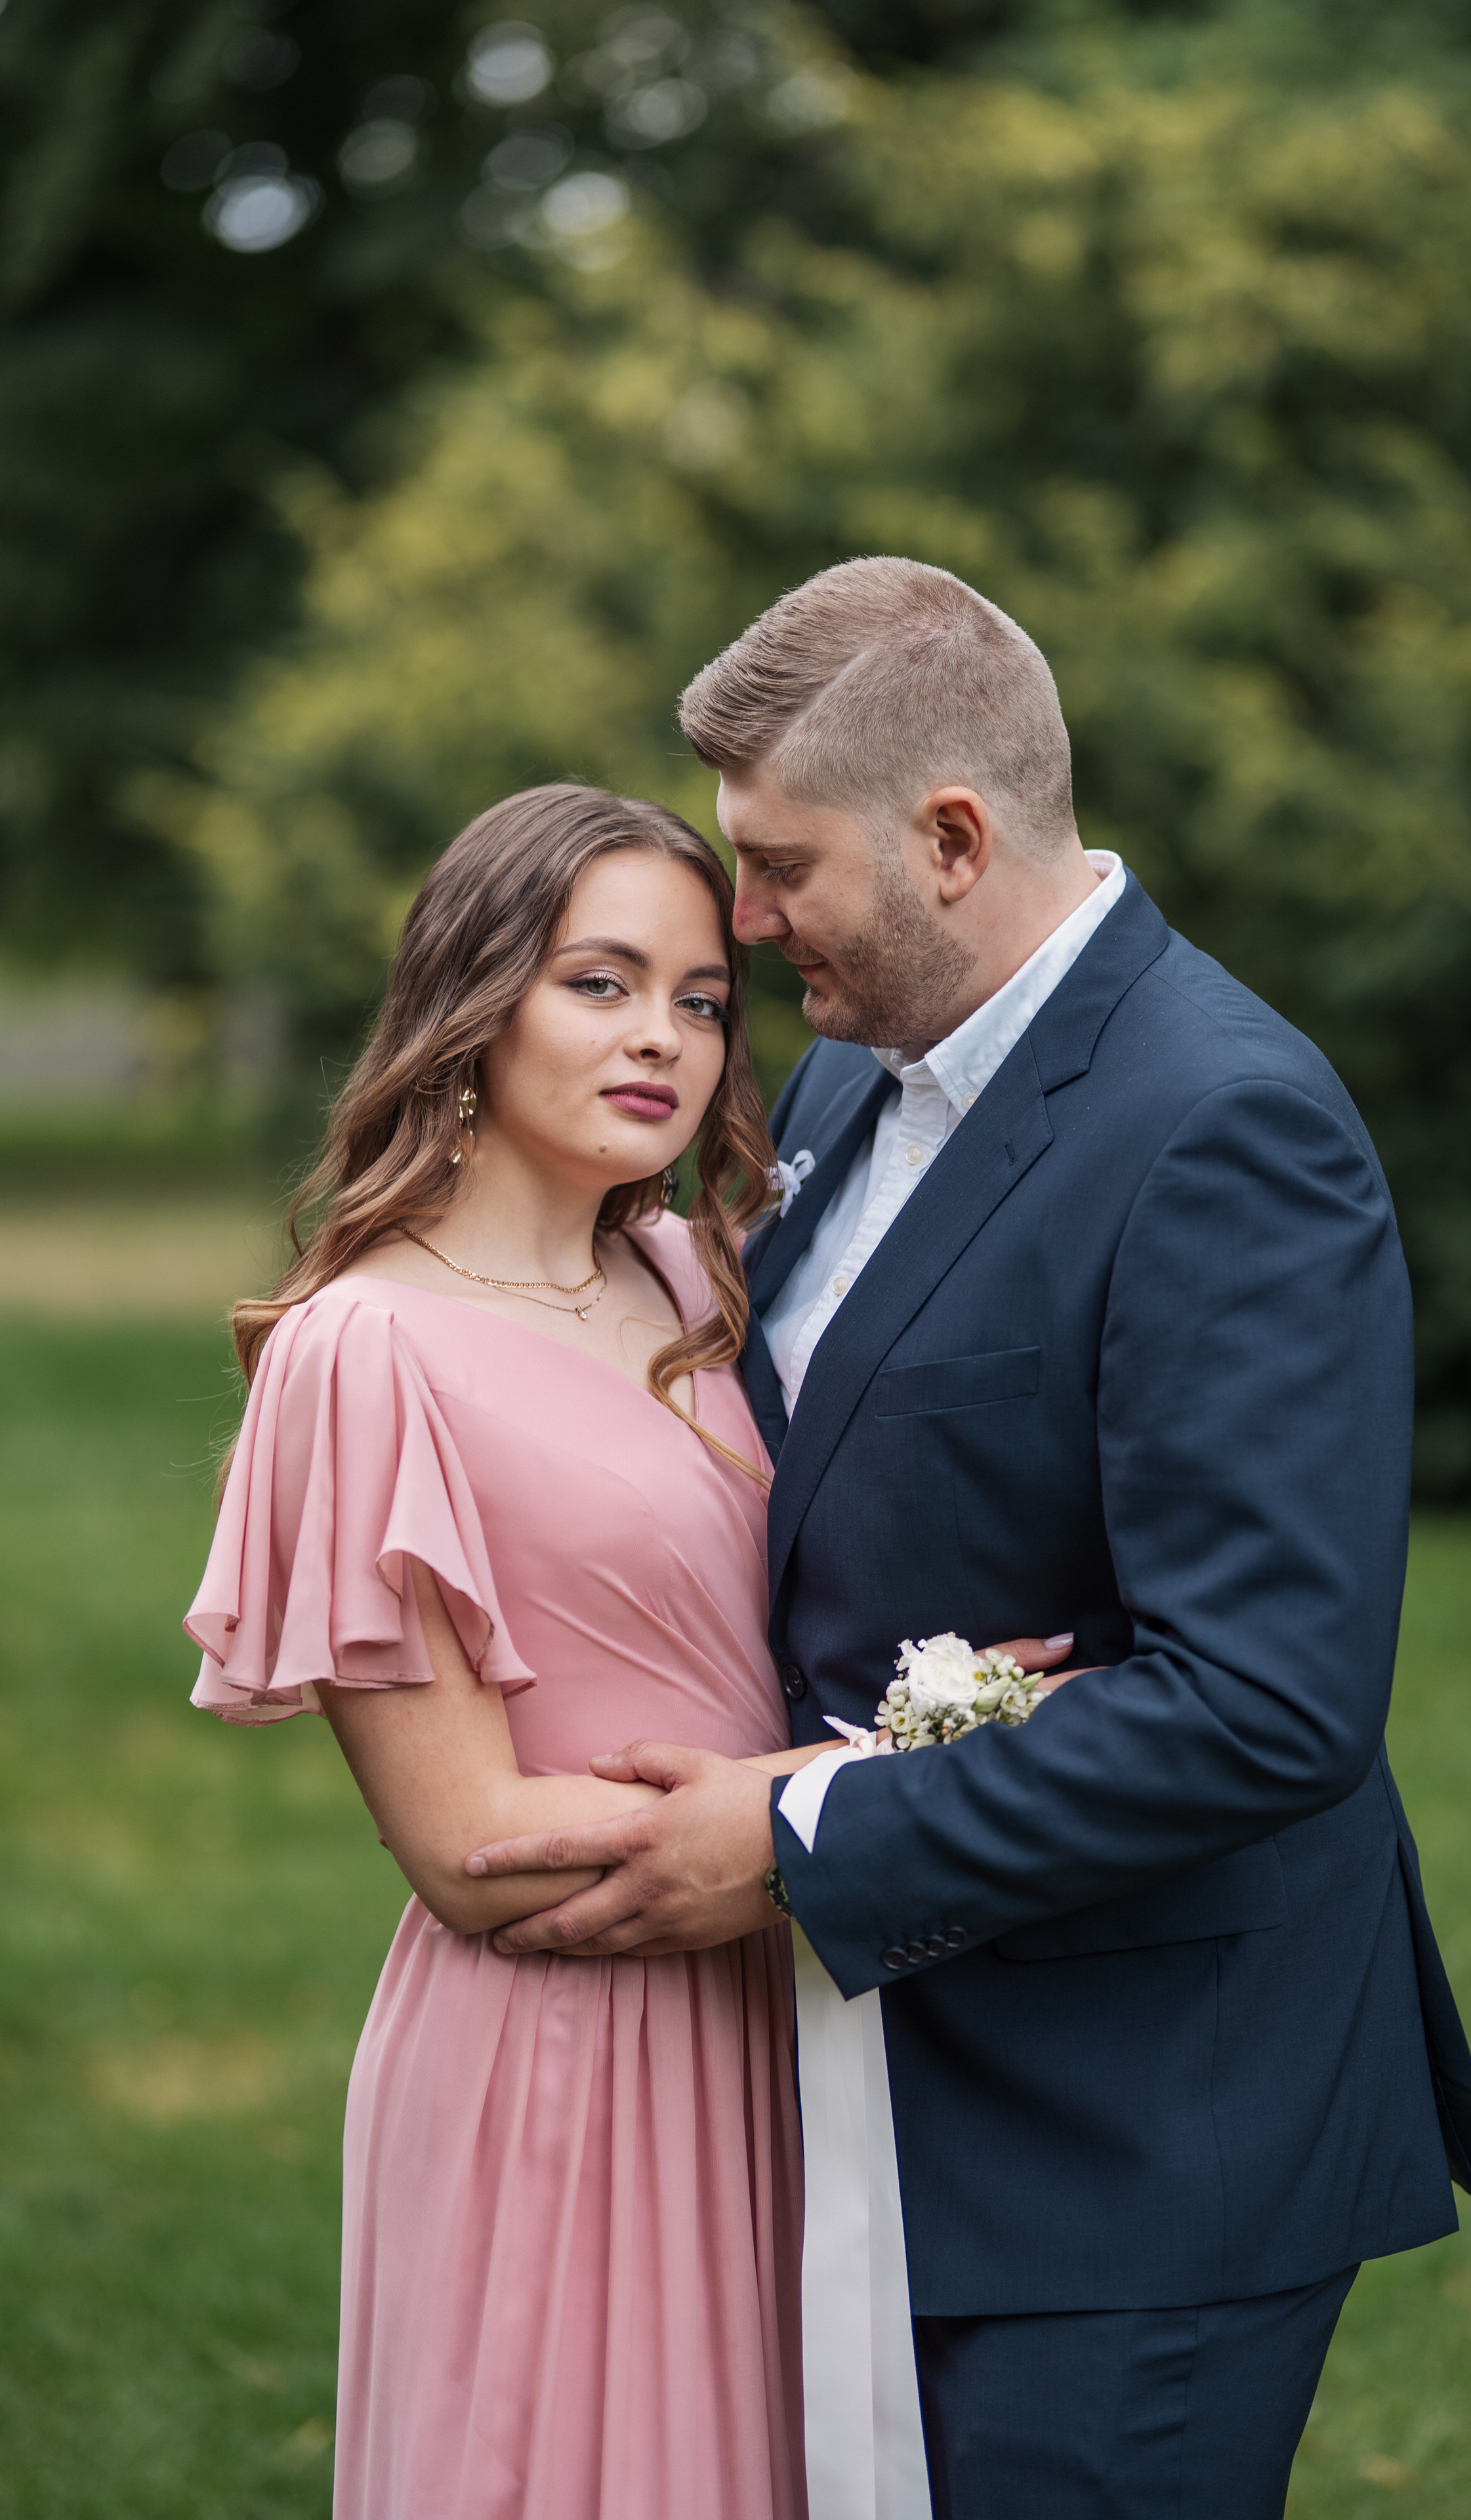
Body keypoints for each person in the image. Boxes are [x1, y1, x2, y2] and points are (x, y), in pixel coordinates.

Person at [466, 560, 1471, 2520]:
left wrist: (799, 1837)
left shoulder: (1227, 1127)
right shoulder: (861, 1067)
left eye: (777, 868)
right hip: (873, 2082)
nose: (744, 921)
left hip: (1137, 2131)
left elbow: (1269, 1707)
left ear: (951, 838)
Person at [183, 785, 813, 2520]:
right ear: (476, 1004)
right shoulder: (364, 1346)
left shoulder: (703, 1283)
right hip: (572, 2039)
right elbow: (472, 1856)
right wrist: (860, 1807)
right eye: (599, 983)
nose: (663, 1040)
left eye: (700, 999)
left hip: (784, 2005)